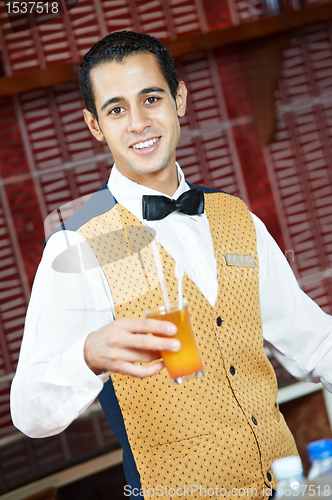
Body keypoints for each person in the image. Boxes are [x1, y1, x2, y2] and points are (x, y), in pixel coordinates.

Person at [10, 31, 332, 500]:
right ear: (95, 125)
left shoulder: (236, 217)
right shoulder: (74, 245)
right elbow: (30, 411)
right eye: (116, 109)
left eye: (151, 98)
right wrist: (88, 355)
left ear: (179, 99)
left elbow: (314, 341)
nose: (139, 122)